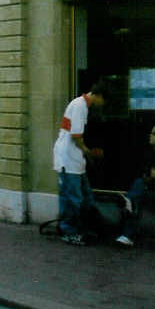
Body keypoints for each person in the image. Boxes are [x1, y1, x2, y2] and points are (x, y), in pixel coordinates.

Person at [52, 82, 108, 245]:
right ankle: (69, 231)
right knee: (73, 198)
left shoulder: (81, 105)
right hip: (69, 159)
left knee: (83, 196)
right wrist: (89, 153)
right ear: (99, 96)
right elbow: (76, 136)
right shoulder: (80, 106)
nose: (102, 105)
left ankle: (80, 227)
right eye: (103, 101)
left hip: (74, 160)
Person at [115, 117, 155, 247]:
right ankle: (129, 206)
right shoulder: (150, 153)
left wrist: (148, 174)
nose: (150, 135)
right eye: (151, 133)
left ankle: (127, 233)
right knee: (136, 193)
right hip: (149, 188)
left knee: (135, 193)